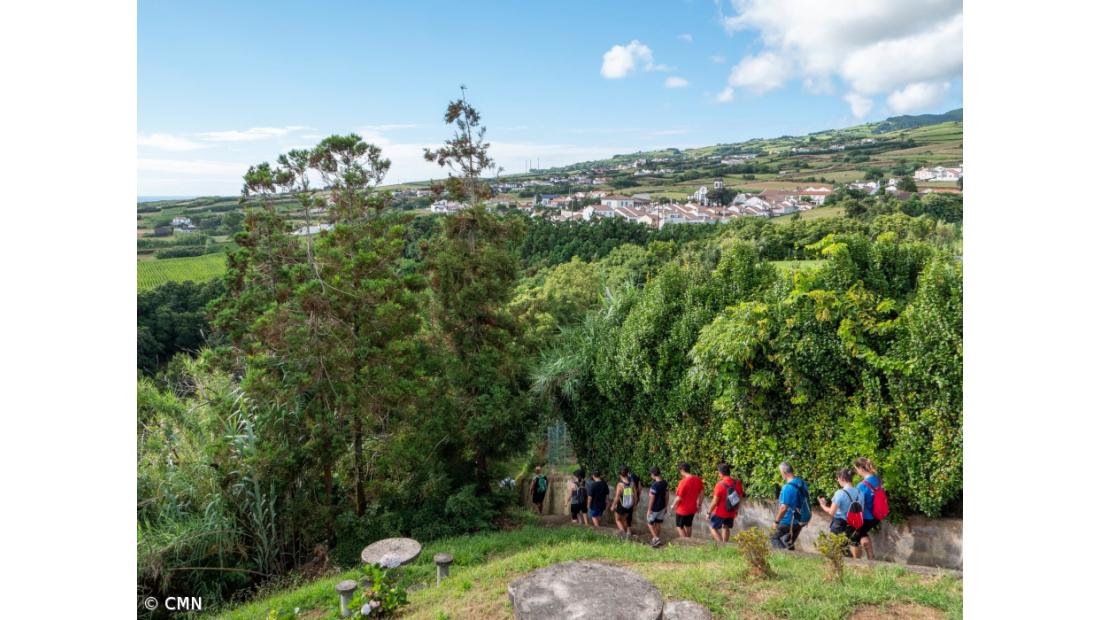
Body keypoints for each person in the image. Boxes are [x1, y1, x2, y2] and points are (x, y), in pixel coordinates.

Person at [817, 467, 862, 558]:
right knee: (846, 550)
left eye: (838, 478)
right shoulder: (860, 492)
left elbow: (831, 512)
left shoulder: (840, 493)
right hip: (853, 525)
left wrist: (822, 505)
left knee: (837, 551)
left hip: (839, 526)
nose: (837, 480)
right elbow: (861, 510)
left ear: (842, 478)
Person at [772, 461, 811, 550]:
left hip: (789, 520)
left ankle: (782, 559)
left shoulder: (787, 487)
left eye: (780, 472)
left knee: (773, 536)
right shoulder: (802, 483)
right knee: (788, 542)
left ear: (784, 472)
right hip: (801, 520)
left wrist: (776, 521)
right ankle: (791, 557)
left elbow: (783, 508)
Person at [853, 457, 882, 560]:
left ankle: (857, 561)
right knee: (863, 533)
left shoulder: (861, 485)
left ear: (861, 468)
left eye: (856, 469)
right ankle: (871, 557)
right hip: (877, 515)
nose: (856, 471)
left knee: (855, 537)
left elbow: (857, 503)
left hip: (866, 517)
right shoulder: (877, 480)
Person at [707, 463, 744, 544]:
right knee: (725, 526)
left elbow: (715, 501)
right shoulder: (737, 483)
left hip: (720, 512)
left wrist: (709, 512)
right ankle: (725, 544)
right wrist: (736, 509)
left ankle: (721, 545)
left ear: (720, 473)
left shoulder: (719, 485)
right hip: (731, 511)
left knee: (712, 527)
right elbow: (740, 497)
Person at [668, 462, 705, 539]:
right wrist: (699, 505)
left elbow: (679, 497)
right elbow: (702, 493)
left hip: (682, 509)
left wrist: (673, 505)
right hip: (692, 508)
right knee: (688, 525)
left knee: (679, 526)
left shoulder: (683, 482)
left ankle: (686, 542)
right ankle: (689, 541)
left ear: (682, 470)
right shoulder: (697, 479)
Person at [645, 467, 669, 547]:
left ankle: (655, 538)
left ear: (653, 474)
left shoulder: (654, 485)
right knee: (658, 523)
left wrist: (649, 509)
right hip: (662, 507)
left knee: (649, 522)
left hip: (654, 508)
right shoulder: (664, 483)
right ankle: (656, 540)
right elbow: (667, 495)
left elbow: (652, 498)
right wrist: (666, 506)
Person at [611, 467, 636, 539]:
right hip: (630, 505)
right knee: (625, 520)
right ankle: (628, 533)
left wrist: (613, 506)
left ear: (620, 475)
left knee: (618, 519)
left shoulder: (620, 485)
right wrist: (634, 504)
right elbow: (635, 495)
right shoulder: (632, 483)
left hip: (621, 505)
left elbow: (617, 497)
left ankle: (623, 534)